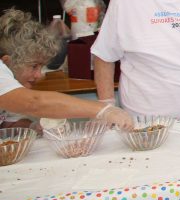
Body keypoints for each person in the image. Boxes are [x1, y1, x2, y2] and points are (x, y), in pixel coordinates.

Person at [0, 8, 132, 129]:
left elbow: (8, 124)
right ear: (7, 61)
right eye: (34, 66)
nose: (39, 75)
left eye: (41, 67)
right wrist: (102, 110)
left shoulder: (12, 86)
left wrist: (35, 127)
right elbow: (34, 103)